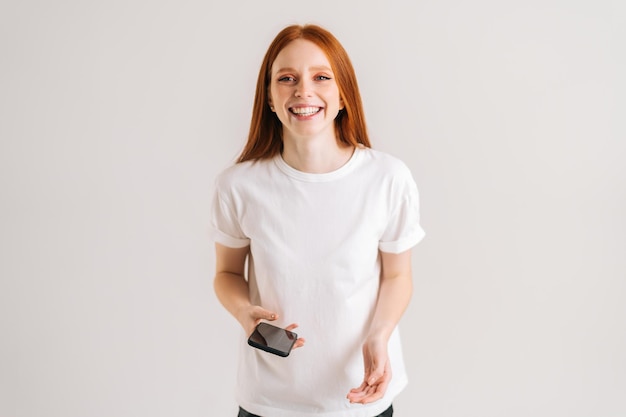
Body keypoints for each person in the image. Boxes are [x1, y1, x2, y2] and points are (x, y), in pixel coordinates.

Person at [210, 23, 425, 417]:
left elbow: (398, 275)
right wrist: (245, 313)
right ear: (270, 98)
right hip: (267, 402)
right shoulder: (238, 186)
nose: (303, 91)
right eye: (286, 78)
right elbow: (226, 274)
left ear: (343, 94)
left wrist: (379, 335)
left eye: (321, 77)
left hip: (361, 397)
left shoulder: (388, 179)